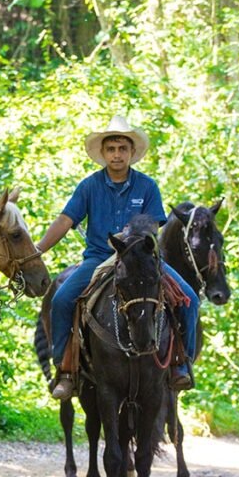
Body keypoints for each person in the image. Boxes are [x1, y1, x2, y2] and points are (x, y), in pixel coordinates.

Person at [37, 115, 200, 399]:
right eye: (111, 149)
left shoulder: (147, 187)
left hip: (142, 261)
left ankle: (180, 365)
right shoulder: (88, 186)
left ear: (131, 153)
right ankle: (64, 370)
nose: (116, 154)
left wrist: (131, 240)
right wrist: (38, 249)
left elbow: (151, 227)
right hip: (98, 258)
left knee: (190, 300)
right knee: (61, 300)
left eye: (122, 148)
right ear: (103, 153)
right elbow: (65, 220)